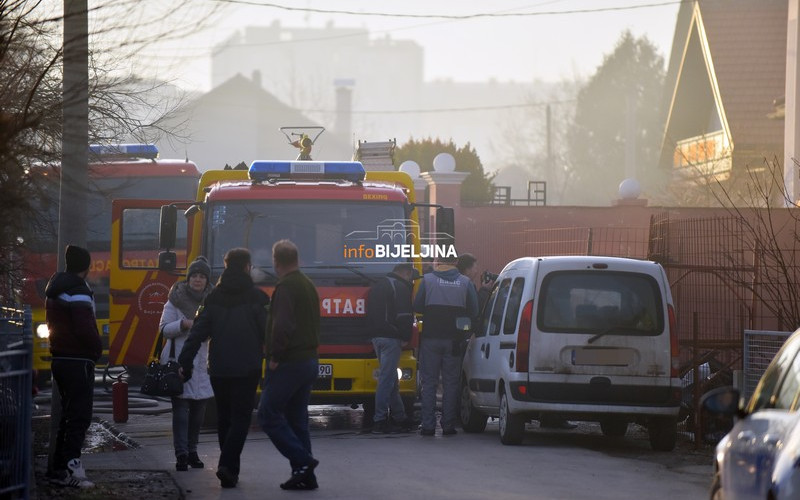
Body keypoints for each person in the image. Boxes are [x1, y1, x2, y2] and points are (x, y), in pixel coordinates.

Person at [178, 248, 269, 489]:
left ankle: (230, 471)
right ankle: (227, 465)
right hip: (247, 368)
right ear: (247, 267)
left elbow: (196, 333)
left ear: (227, 266)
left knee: (225, 418)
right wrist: (276, 360)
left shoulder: (212, 298)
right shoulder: (257, 298)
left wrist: (185, 363)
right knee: (241, 419)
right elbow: (268, 333)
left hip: (219, 369)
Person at [257, 239, 321, 490]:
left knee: (267, 413)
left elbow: (282, 325)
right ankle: (305, 476)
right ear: (297, 259)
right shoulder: (307, 284)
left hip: (290, 361)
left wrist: (275, 356)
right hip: (309, 360)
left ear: (276, 262)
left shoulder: (285, 287)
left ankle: (303, 461)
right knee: (297, 419)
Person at [45, 244, 102, 488]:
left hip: (60, 358)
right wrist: (97, 349)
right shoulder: (78, 291)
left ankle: (58, 470)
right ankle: (72, 469)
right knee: (79, 417)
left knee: (67, 416)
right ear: (86, 267)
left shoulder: (56, 288)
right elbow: (84, 328)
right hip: (78, 361)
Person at [158, 256, 214, 471]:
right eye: (194, 276)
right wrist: (184, 324)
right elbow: (163, 329)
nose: (198, 280)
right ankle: (181, 454)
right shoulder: (175, 299)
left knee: (199, 412)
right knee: (181, 412)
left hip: (203, 363)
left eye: (202, 276)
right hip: (179, 363)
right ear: (188, 278)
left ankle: (193, 451)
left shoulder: (212, 301)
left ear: (207, 281)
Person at [413, 254, 478, 436]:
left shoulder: (427, 280)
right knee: (451, 383)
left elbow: (417, 306)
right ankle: (448, 425)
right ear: (456, 262)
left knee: (429, 383)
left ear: (438, 262)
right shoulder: (465, 283)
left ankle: (428, 425)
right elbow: (474, 311)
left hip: (430, 339)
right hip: (454, 340)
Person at [366, 263, 418, 434]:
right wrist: (405, 337)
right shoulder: (400, 287)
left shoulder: (378, 285)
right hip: (391, 338)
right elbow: (404, 316)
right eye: (411, 276)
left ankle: (400, 416)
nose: (411, 280)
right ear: (406, 273)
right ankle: (379, 420)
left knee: (391, 379)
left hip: (376, 337)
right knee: (386, 379)